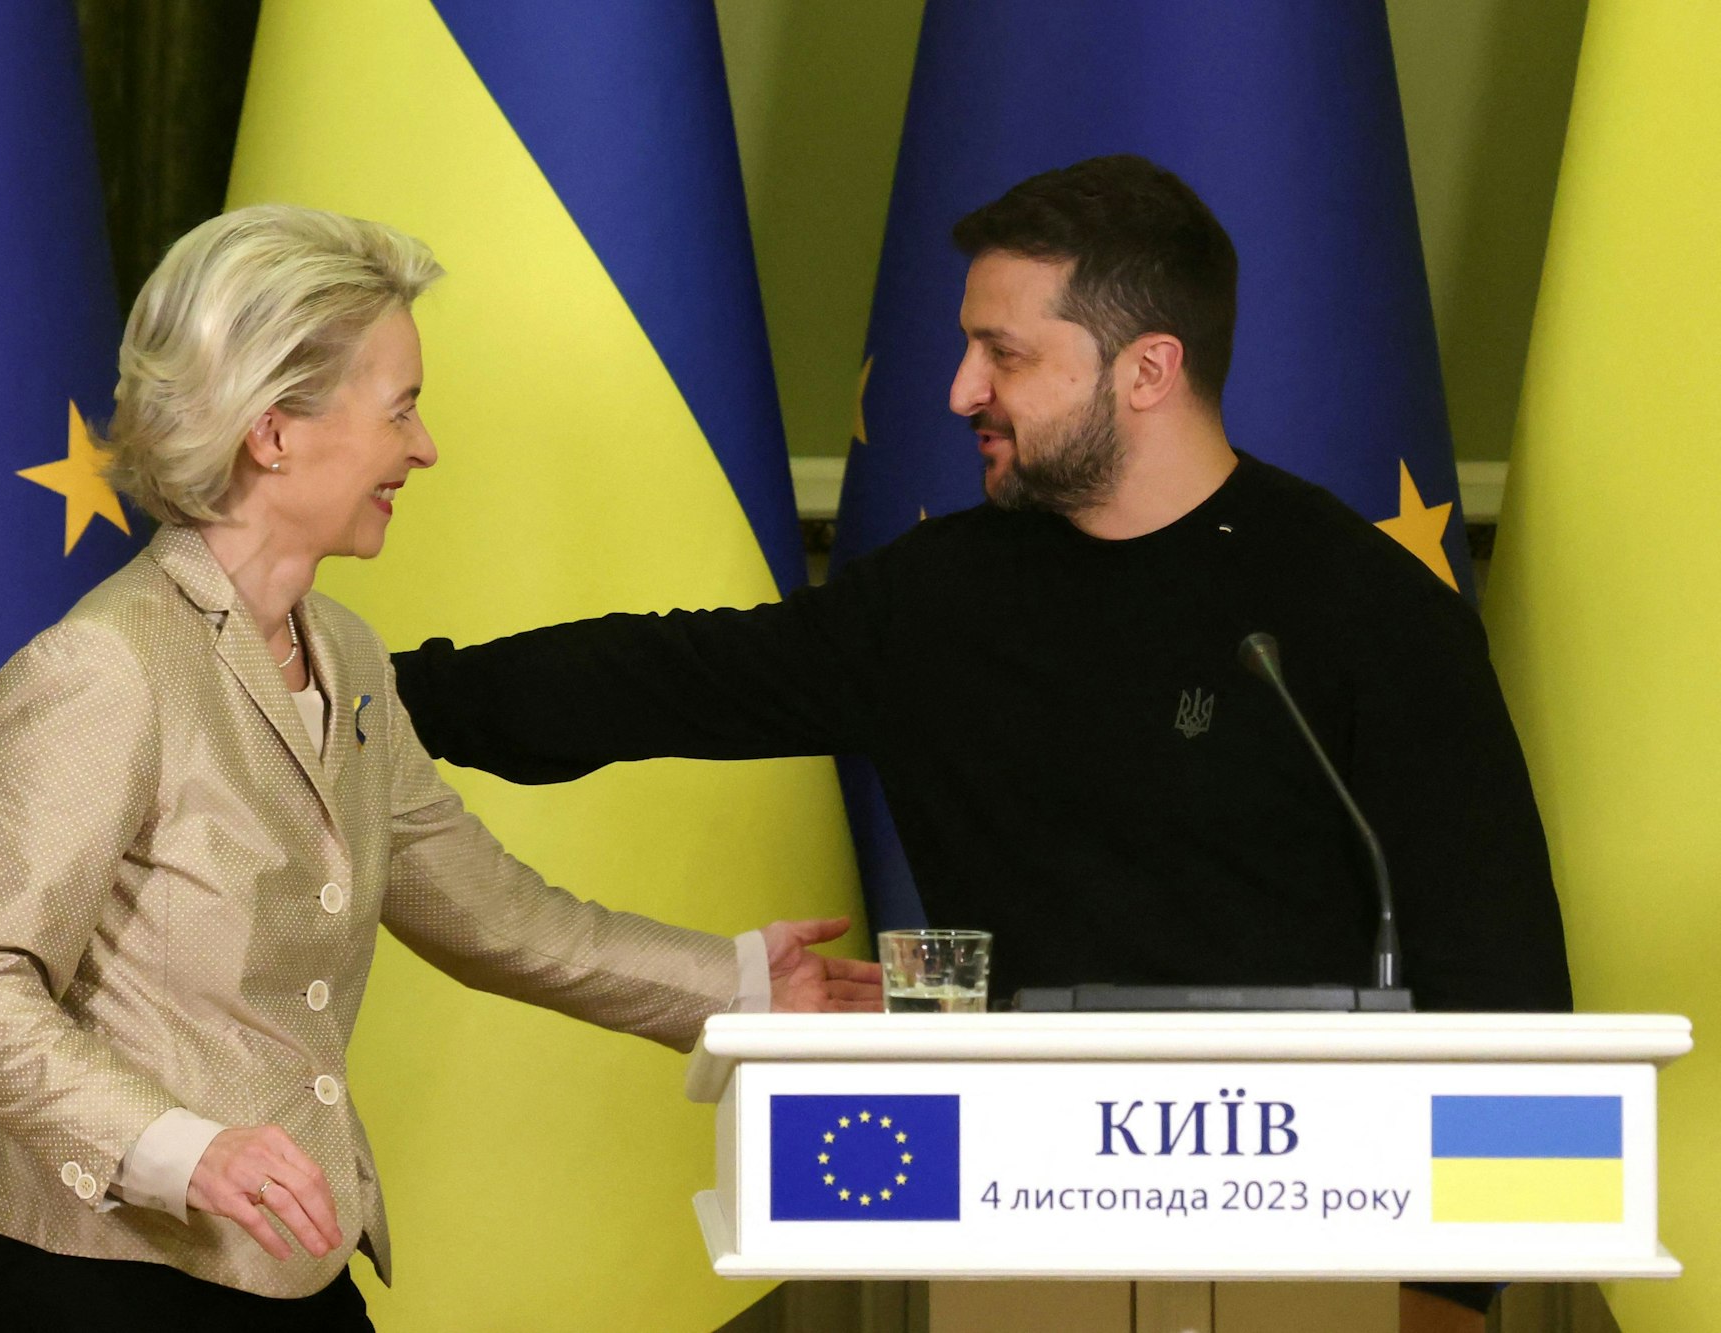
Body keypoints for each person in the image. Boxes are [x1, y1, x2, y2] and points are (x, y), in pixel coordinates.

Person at [386, 157, 1570, 1330]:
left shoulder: (1360, 610)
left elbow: (1499, 975)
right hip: (1019, 1236)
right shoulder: (942, 601)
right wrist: (352, 693)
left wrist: (1444, 1296)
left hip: (1331, 1260)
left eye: (1003, 353)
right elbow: (656, 680)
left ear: (1146, 368)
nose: (960, 389)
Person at [0, 204, 880, 1332]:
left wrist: (737, 985)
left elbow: (494, 914)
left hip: (292, 1253)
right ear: (273, 431)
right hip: (113, 1273)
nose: (423, 449)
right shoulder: (104, 667)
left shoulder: (349, 659)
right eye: (401, 408)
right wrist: (181, 1149)